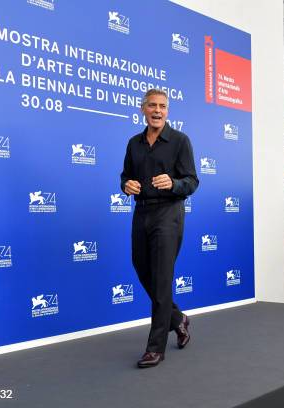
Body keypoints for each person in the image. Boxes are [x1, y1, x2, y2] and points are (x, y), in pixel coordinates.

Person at [120, 89, 199, 368]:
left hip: (169, 213)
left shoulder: (180, 141)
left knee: (162, 278)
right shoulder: (134, 143)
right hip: (141, 212)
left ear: (167, 111)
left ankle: (155, 348)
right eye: (152, 105)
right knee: (142, 269)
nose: (157, 110)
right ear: (143, 109)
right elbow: (125, 176)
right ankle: (178, 319)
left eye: (162, 106)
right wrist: (126, 185)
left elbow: (192, 181)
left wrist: (174, 184)